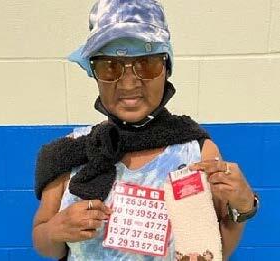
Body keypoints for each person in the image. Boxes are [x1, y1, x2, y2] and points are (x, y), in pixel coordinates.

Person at [32, 0, 258, 260]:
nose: (128, 84)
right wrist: (54, 231)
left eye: (147, 64)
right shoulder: (72, 151)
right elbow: (44, 241)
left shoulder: (196, 152)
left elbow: (216, 250)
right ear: (94, 74)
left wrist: (242, 208)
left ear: (166, 69)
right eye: (110, 67)